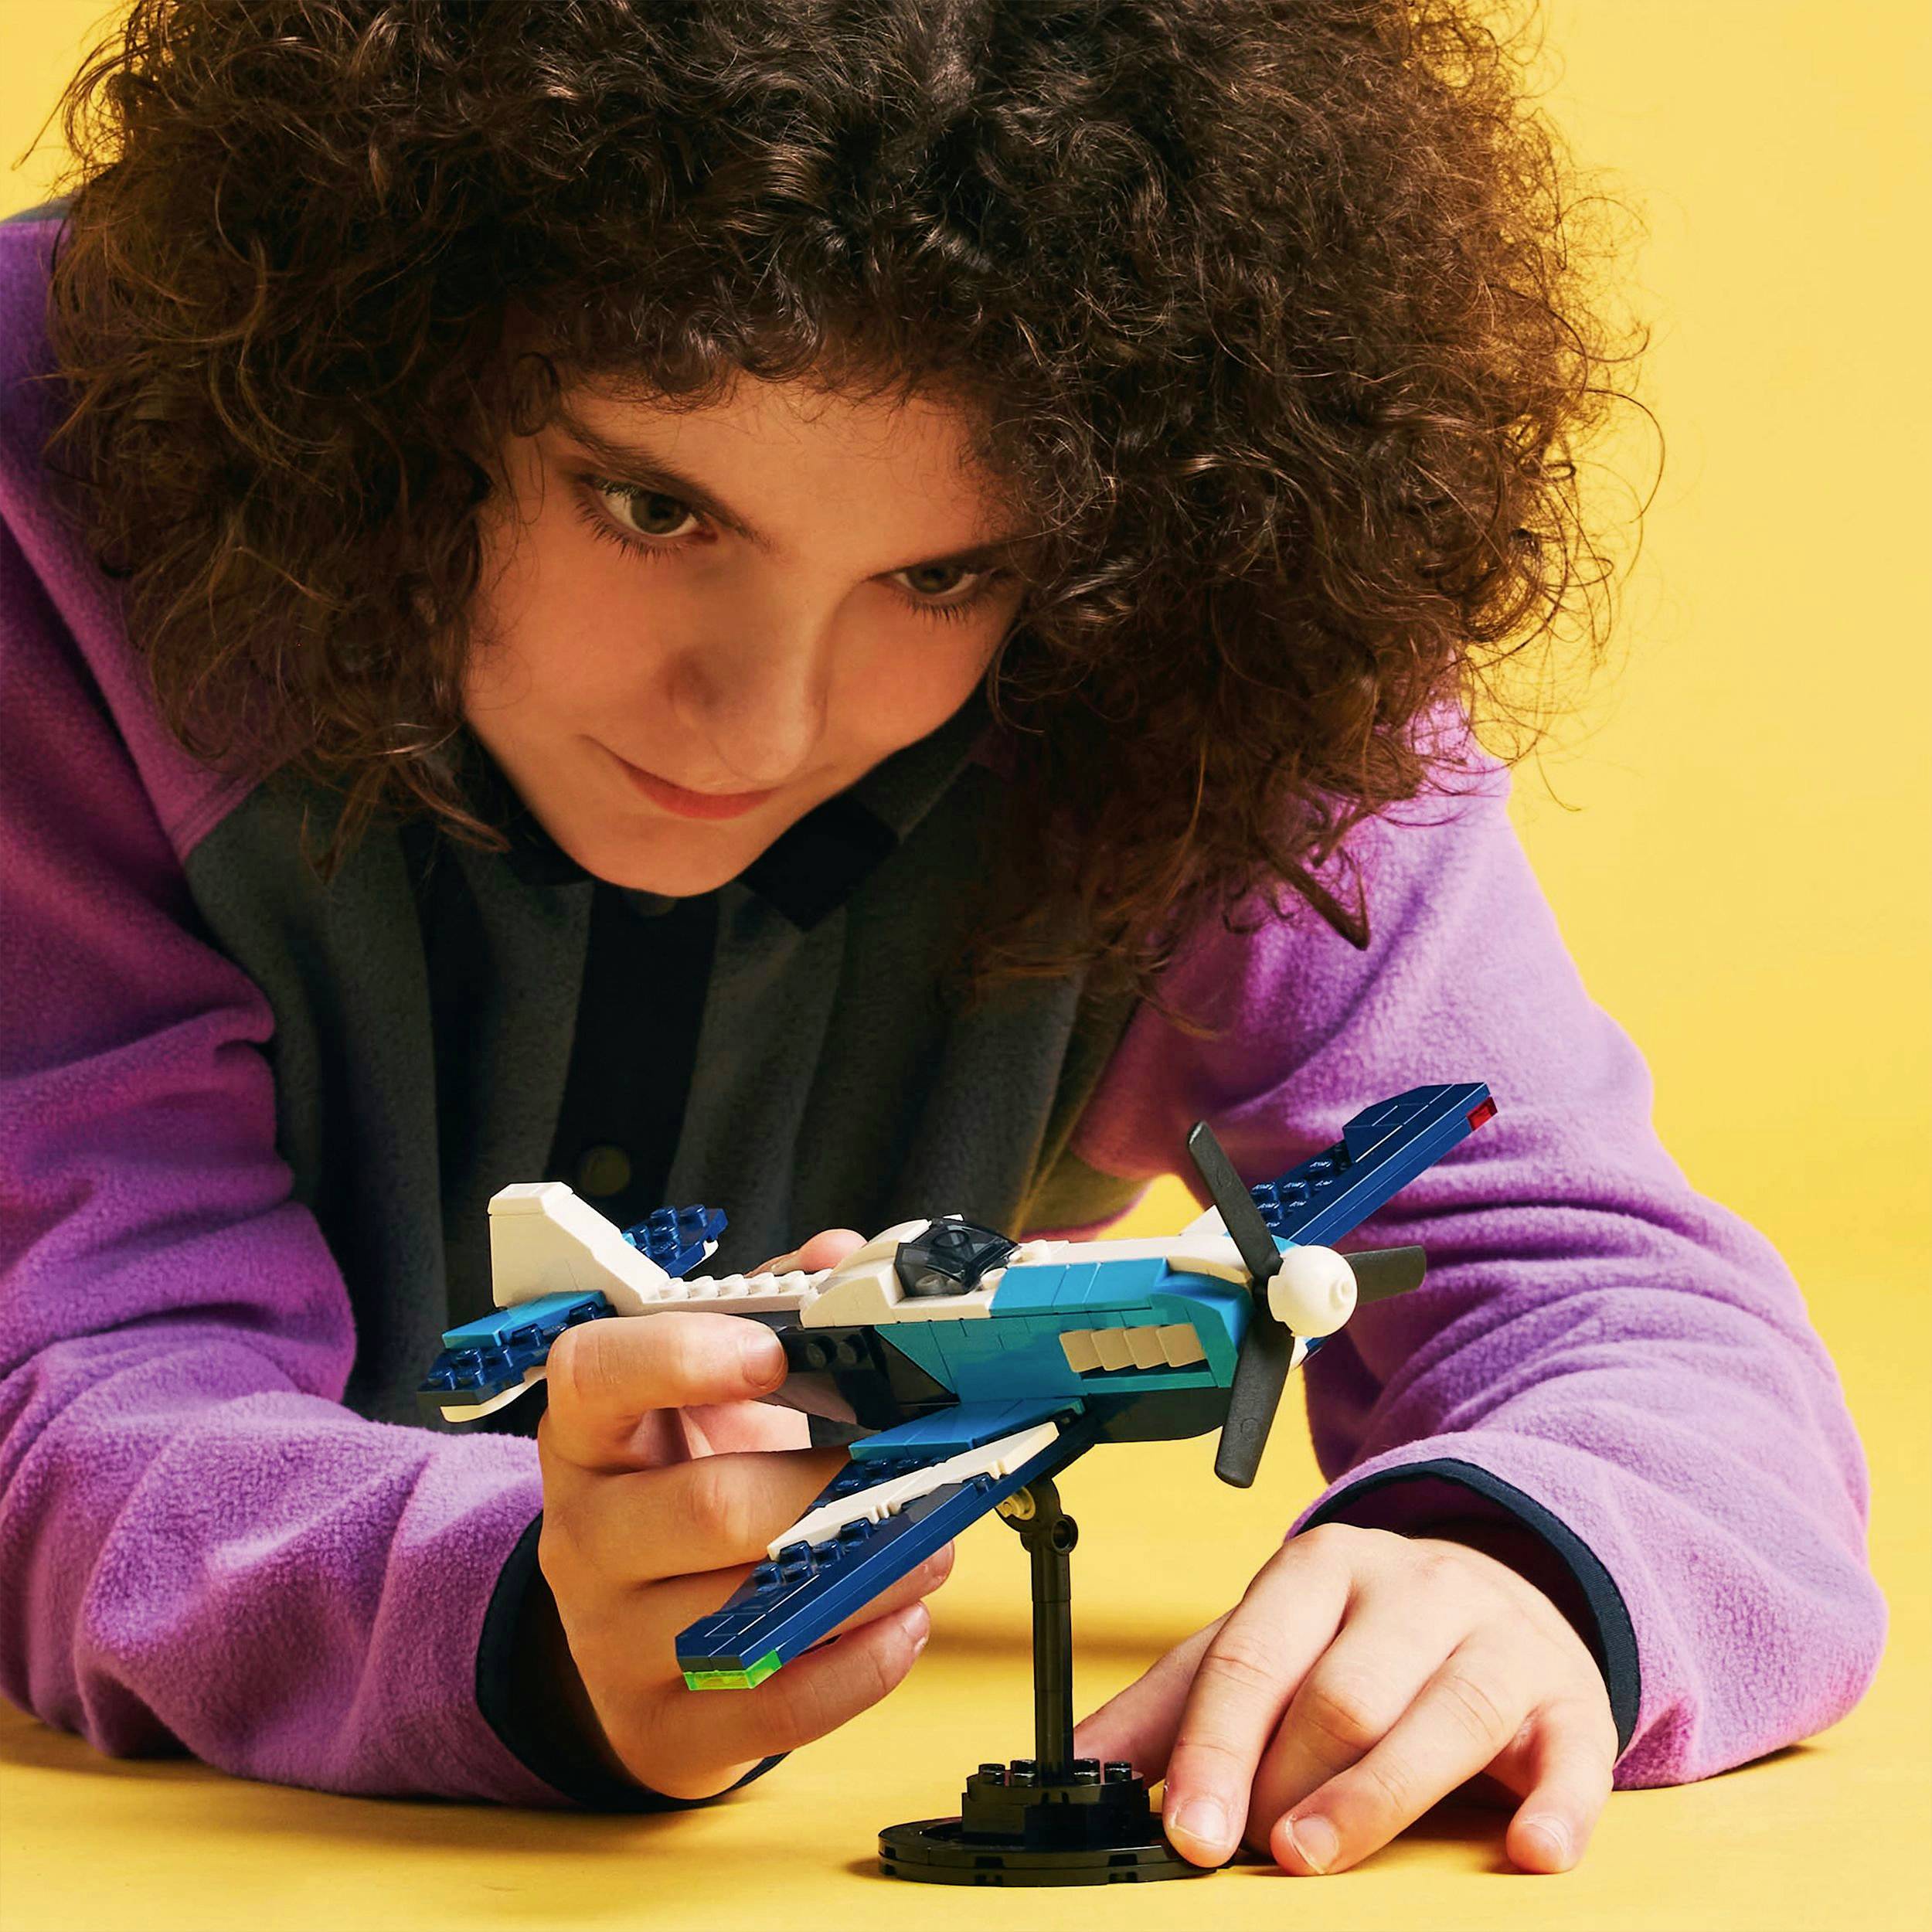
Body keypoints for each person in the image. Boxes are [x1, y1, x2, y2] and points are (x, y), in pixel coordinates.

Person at [0, 0, 1883, 1881]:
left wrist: (1528, 1551)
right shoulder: (59, 496)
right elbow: (74, 1382)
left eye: (942, 572)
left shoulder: (1214, 654)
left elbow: (1602, 1285)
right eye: (650, 505)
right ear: (383, 377)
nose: (752, 727)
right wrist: (510, 1617)